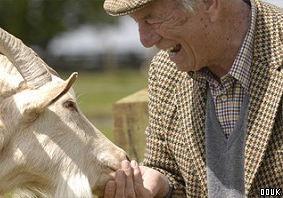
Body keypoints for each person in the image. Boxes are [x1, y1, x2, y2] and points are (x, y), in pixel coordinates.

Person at [102, 0, 283, 197]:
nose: (145, 40)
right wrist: (163, 186)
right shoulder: (165, 72)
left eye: (151, 19)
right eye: (137, 23)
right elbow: (169, 171)